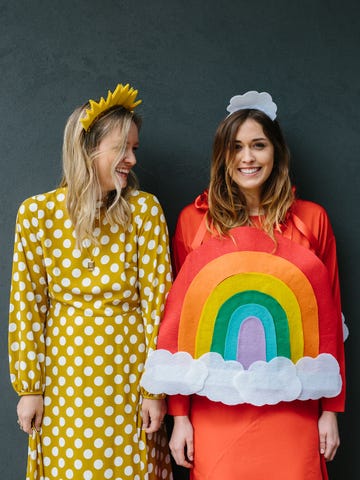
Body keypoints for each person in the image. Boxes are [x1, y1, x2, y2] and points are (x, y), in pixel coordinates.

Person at [141, 91, 345, 480]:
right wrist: (180, 417)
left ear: (276, 152)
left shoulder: (312, 221)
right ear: (223, 156)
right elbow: (180, 329)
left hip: (294, 409)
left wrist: (330, 412)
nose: (247, 158)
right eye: (236, 147)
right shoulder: (193, 223)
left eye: (258, 145)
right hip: (214, 410)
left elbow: (330, 326)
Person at [9, 83, 173, 480]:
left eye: (135, 148)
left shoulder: (144, 211)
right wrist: (30, 388)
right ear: (88, 148)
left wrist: (156, 390)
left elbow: (161, 303)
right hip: (65, 381)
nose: (132, 158)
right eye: (122, 148)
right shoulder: (37, 214)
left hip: (131, 379)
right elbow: (28, 305)